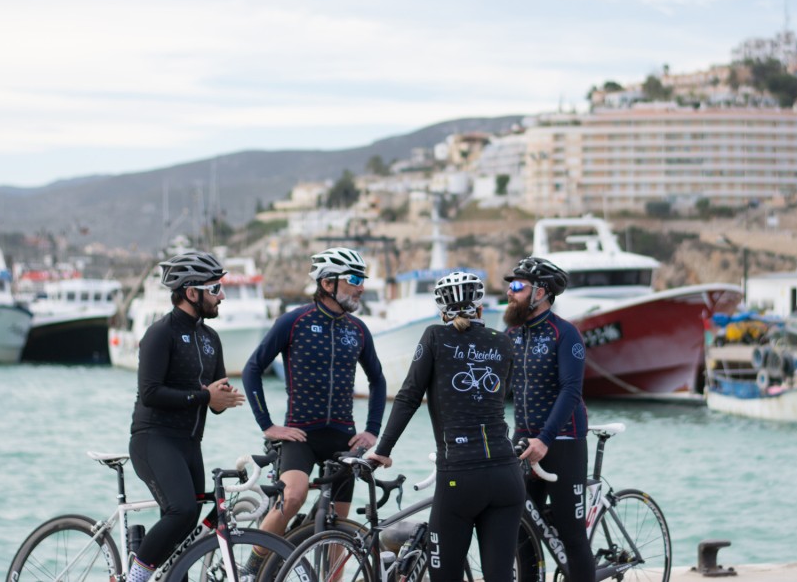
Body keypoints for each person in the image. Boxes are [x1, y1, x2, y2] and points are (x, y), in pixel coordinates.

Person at [368, 271, 523, 582]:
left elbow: (409, 396)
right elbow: (505, 397)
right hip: (507, 473)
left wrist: (382, 450)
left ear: (442, 310)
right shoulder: (503, 342)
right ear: (480, 307)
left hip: (460, 475)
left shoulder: (435, 336)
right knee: (500, 576)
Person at [241, 247, 386, 559]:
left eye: (363, 279)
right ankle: (254, 566)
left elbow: (378, 380)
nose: (361, 286)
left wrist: (372, 430)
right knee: (293, 494)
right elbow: (252, 369)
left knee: (339, 532)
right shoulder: (294, 321)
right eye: (354, 278)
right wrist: (268, 426)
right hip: (301, 435)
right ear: (327, 283)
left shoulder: (358, 329)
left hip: (343, 438)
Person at [127, 250, 246, 582]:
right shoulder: (160, 333)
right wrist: (207, 395)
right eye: (215, 289)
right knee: (182, 512)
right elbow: (151, 393)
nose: (221, 296)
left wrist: (221, 400)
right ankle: (134, 577)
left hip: (190, 444)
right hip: (154, 438)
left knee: (189, 521)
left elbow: (214, 401)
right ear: (191, 292)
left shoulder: (211, 338)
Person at [503, 256, 595, 582]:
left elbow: (571, 390)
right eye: (509, 285)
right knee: (520, 530)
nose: (509, 292)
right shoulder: (511, 333)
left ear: (540, 292)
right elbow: (496, 388)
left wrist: (545, 439)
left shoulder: (565, 334)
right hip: (523, 439)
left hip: (564, 441)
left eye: (517, 286)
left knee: (572, 534)